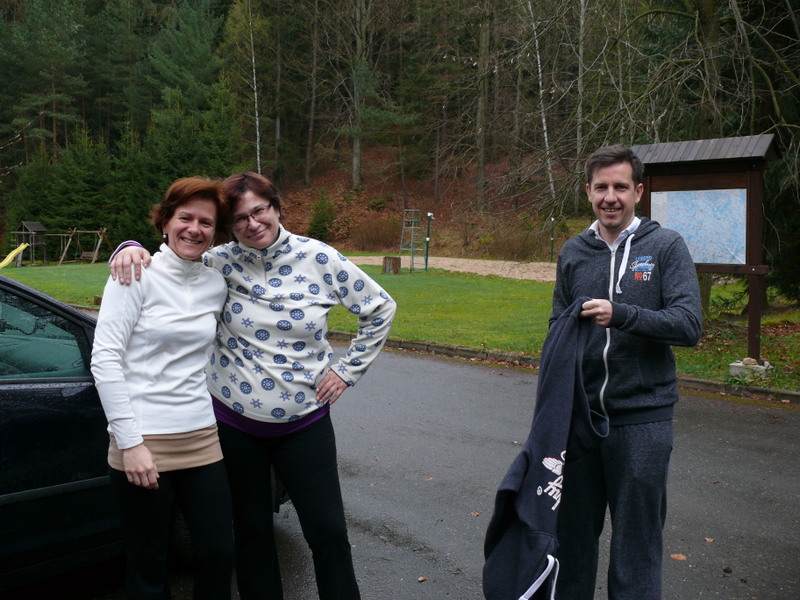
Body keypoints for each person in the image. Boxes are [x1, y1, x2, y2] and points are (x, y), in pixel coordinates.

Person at [110, 171, 397, 600]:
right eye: (240, 218)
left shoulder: (319, 258)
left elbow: (379, 308)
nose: (252, 223)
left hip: (305, 424)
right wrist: (128, 246)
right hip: (236, 426)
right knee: (251, 531)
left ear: (277, 208)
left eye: (259, 211)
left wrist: (346, 370)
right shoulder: (218, 262)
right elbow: (173, 254)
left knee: (328, 531)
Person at [550, 145, 702, 600]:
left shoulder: (665, 246)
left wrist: (622, 314)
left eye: (620, 187)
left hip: (643, 420)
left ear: (638, 191)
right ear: (588, 192)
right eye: (601, 187)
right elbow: (557, 330)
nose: (610, 197)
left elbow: (688, 325)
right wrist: (553, 410)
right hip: (581, 422)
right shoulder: (574, 252)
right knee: (570, 544)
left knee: (637, 547)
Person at [91, 177, 234, 599]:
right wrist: (130, 443)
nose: (195, 229)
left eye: (206, 222)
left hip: (201, 436)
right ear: (166, 221)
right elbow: (105, 359)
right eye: (185, 218)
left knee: (219, 551)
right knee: (149, 563)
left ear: (215, 232)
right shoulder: (135, 274)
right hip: (144, 440)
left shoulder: (215, 283)